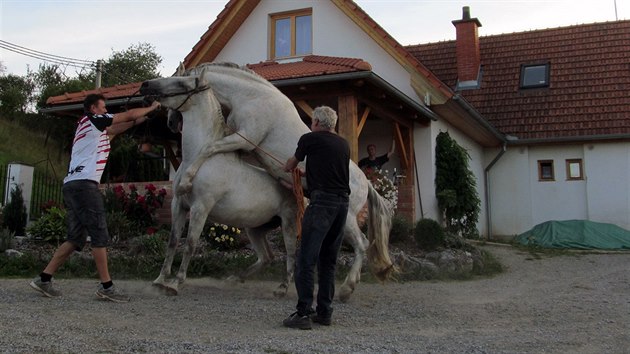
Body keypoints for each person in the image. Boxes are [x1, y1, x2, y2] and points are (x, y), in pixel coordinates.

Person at [29, 94, 161, 303]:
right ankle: (106, 287)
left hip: (72, 185)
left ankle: (44, 279)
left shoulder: (93, 130)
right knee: (99, 233)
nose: (105, 109)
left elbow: (120, 126)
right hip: (84, 185)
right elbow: (124, 115)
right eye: (103, 106)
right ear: (93, 108)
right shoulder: (93, 120)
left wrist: (144, 117)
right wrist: (152, 106)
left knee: (75, 238)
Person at [282, 106, 350, 330]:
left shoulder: (309, 139)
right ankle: (324, 312)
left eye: (313, 121)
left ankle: (302, 314)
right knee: (328, 261)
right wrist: (307, 174)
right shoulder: (343, 144)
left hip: (321, 204)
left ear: (318, 123)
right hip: (341, 205)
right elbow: (330, 172)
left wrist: (289, 167)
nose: (312, 124)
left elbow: (292, 162)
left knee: (305, 259)